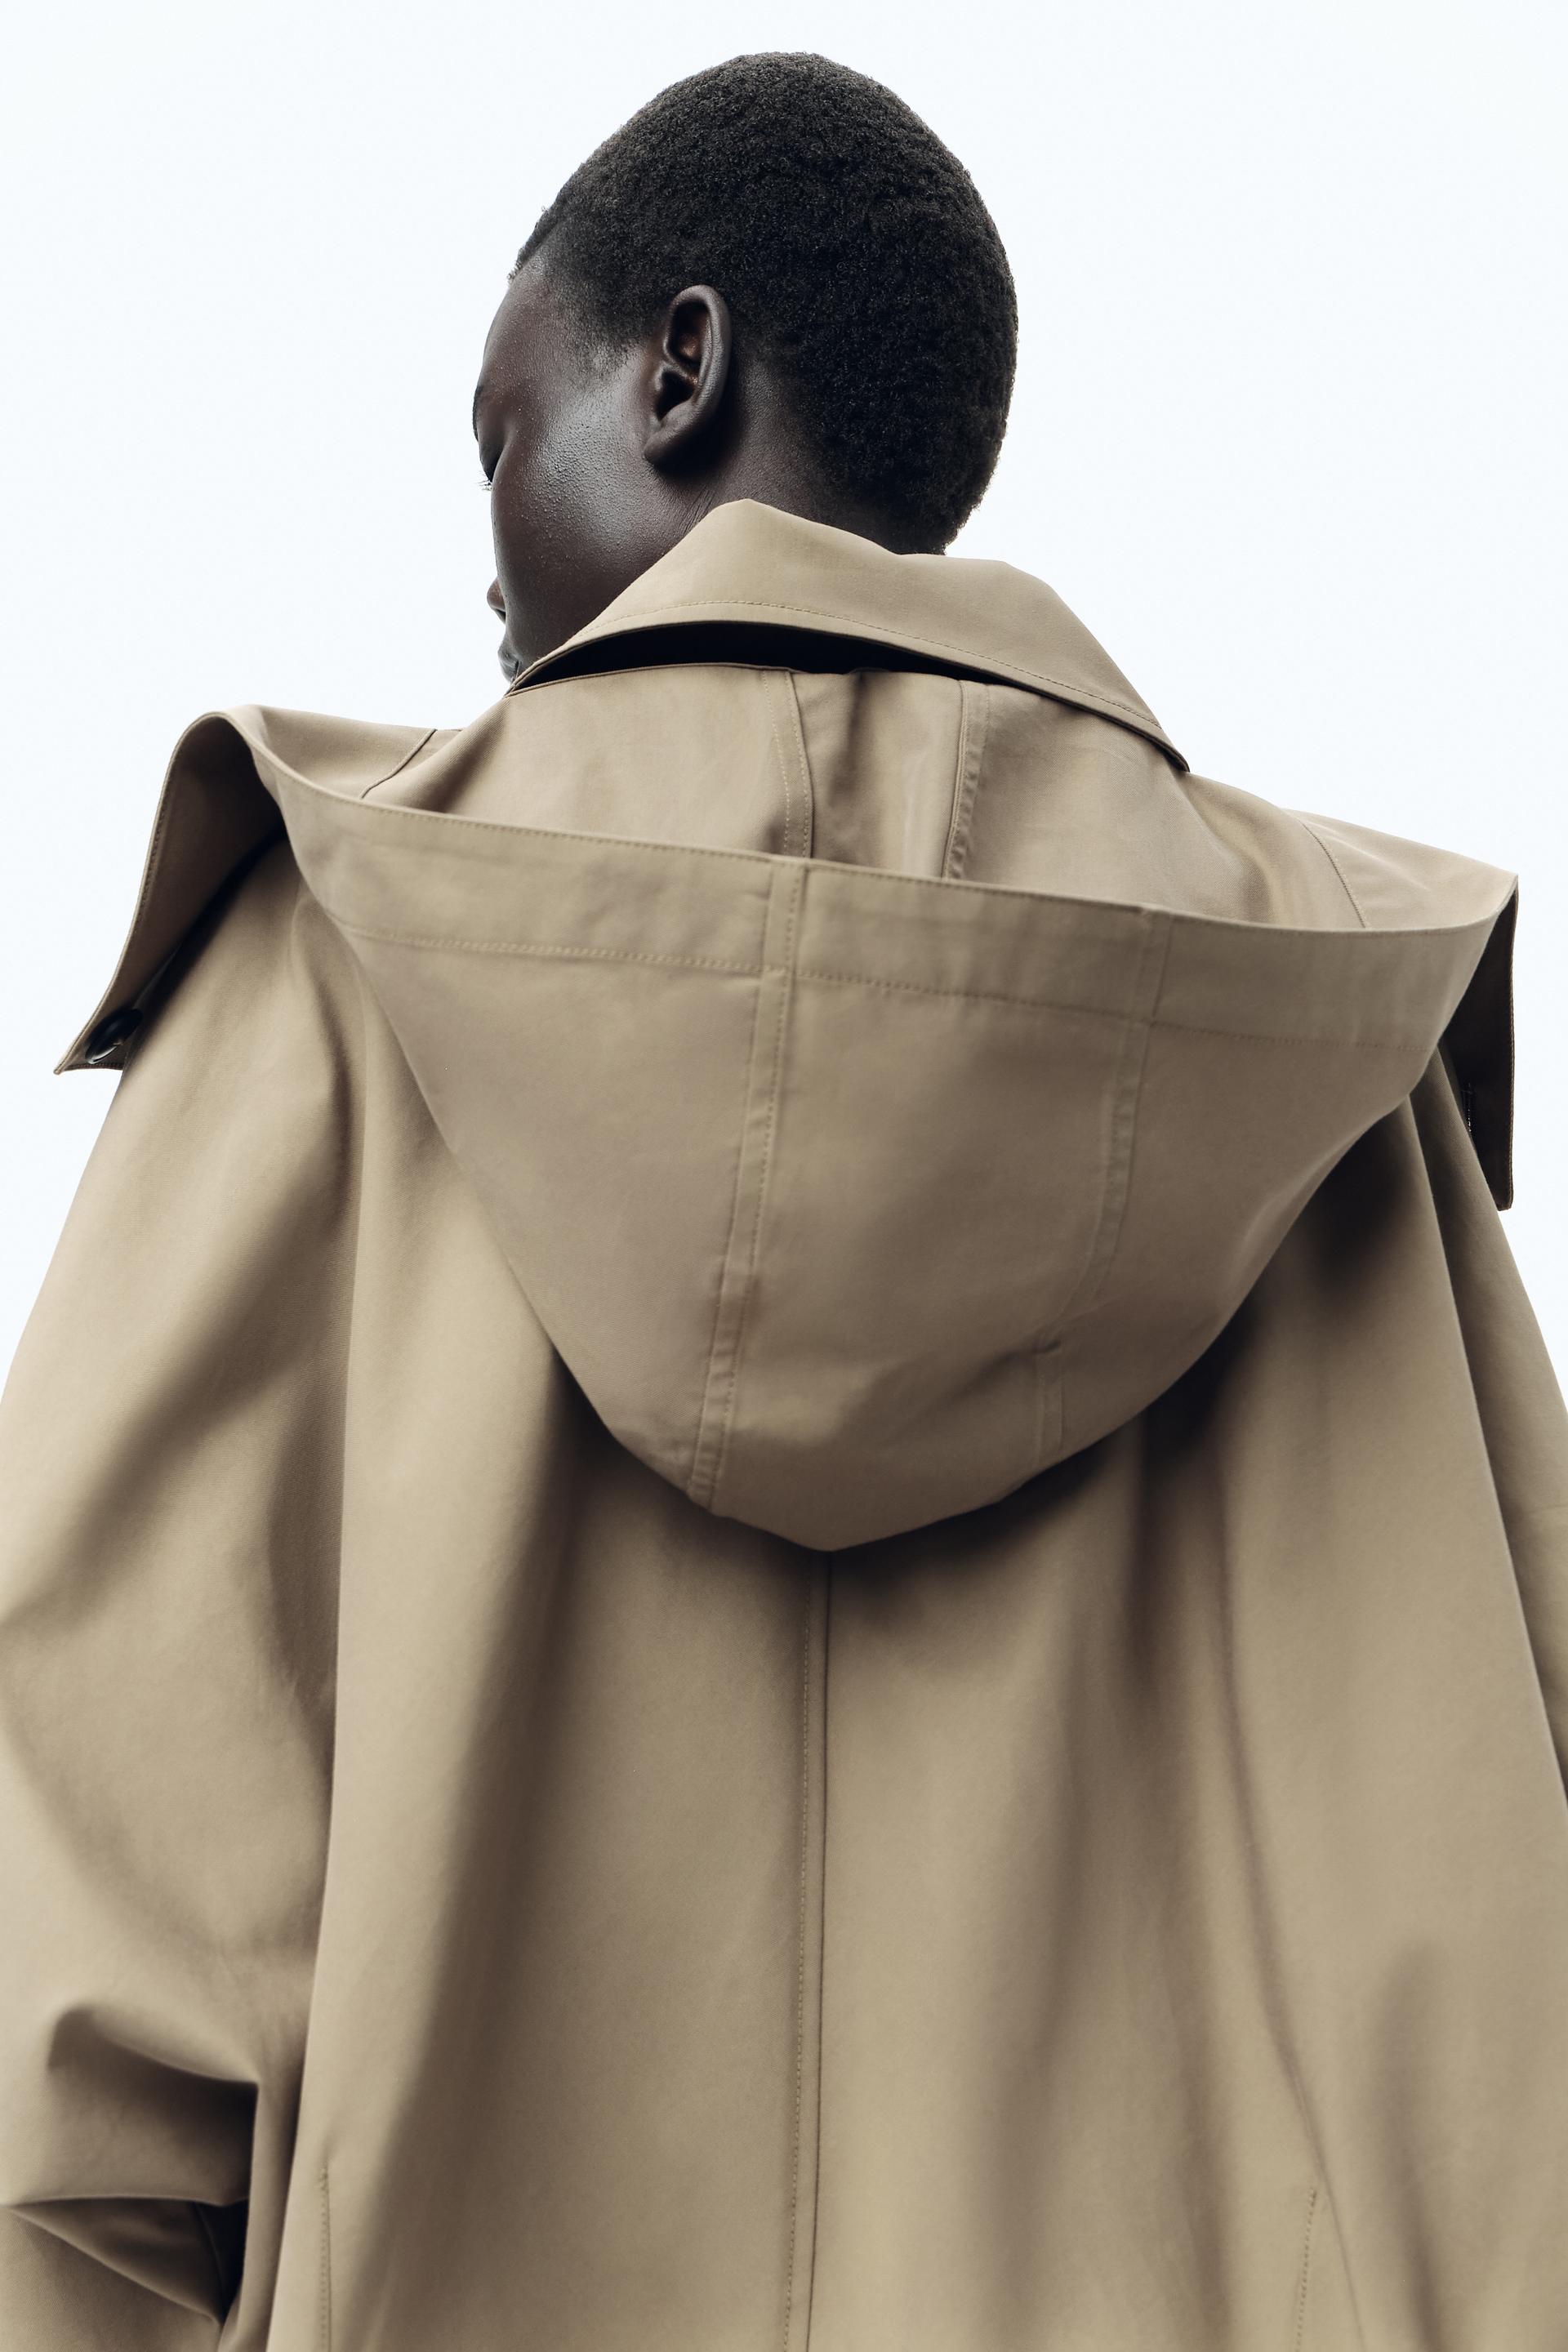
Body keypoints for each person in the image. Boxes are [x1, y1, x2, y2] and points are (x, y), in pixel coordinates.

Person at [1, 48, 1564, 2352]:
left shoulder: (323, 968)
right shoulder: (1322, 1049)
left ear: (681, 369)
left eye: (498, 436)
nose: (483, 550)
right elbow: (1500, 1969)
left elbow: (79, 1985)